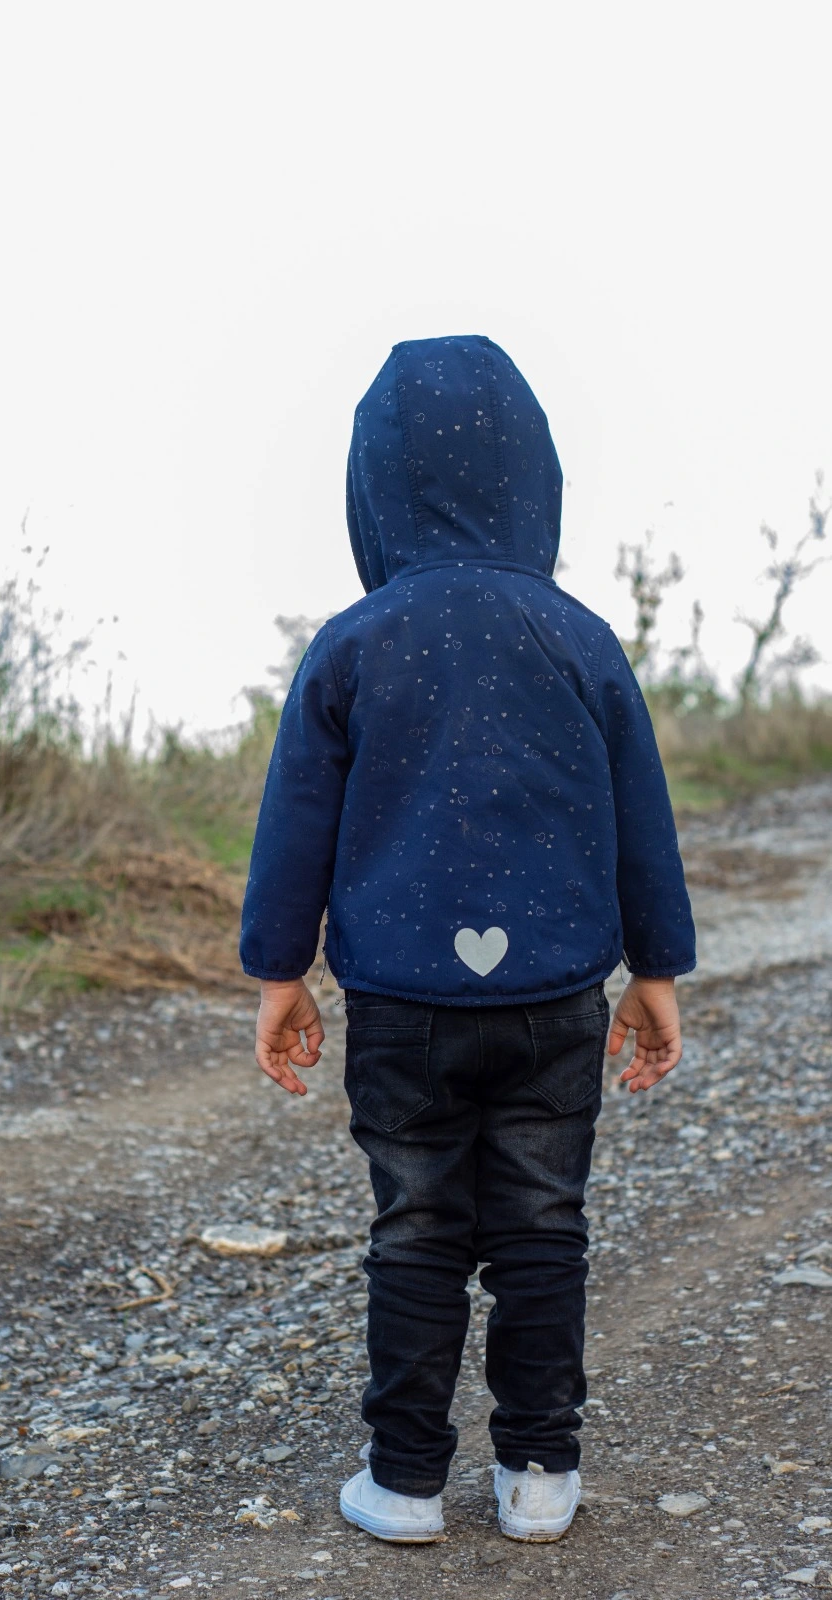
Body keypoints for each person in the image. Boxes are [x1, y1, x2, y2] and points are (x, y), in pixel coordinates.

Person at [239, 335, 695, 1544]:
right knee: (545, 1227)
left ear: (371, 489)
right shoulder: (581, 638)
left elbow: (296, 824)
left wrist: (280, 975)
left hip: (400, 1005)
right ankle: (538, 1477)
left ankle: (401, 1481)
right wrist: (654, 972)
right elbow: (638, 820)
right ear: (530, 478)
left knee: (417, 1226)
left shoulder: (350, 642)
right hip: (556, 998)